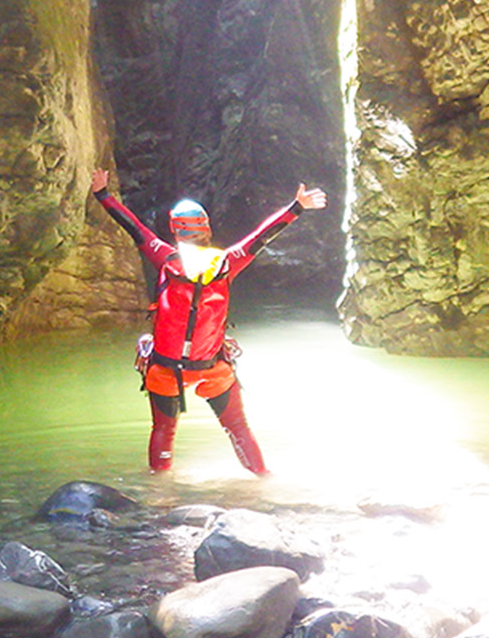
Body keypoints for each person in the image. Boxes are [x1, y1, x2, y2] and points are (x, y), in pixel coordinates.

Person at [91, 168, 327, 475]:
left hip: (166, 368)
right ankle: (262, 480)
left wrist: (103, 194)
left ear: (175, 231)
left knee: (163, 430)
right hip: (211, 367)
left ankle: (159, 492)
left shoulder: (164, 258)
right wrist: (297, 207)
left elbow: (134, 228)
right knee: (238, 428)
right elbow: (262, 237)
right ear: (207, 229)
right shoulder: (227, 262)